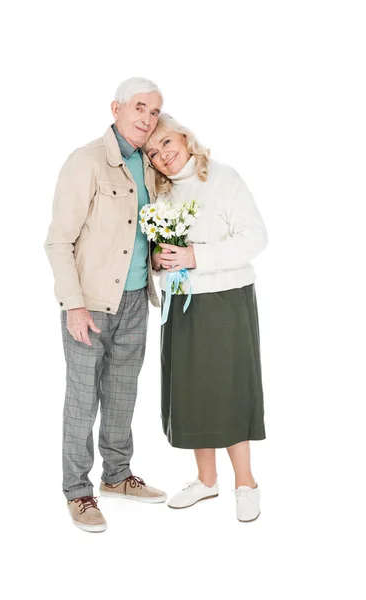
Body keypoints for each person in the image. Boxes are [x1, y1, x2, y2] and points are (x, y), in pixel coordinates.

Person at [44, 78, 167, 533]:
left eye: (155, 112)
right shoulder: (87, 161)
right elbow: (59, 241)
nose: (147, 119)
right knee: (82, 398)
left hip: (136, 299)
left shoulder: (149, 166)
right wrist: (73, 306)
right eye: (140, 108)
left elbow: (141, 234)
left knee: (122, 393)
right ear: (116, 108)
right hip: (90, 305)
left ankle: (117, 476)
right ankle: (78, 491)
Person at [144, 114, 268, 522]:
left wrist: (199, 257)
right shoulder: (161, 195)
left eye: (165, 142)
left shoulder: (223, 177)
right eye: (152, 151)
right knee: (193, 390)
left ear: (184, 135)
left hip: (226, 301)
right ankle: (207, 480)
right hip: (182, 305)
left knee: (230, 389)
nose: (162, 154)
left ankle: (246, 483)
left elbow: (255, 237)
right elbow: (164, 253)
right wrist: (161, 262)